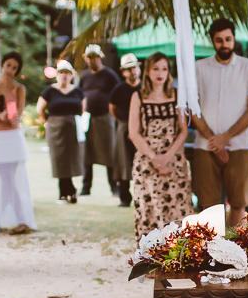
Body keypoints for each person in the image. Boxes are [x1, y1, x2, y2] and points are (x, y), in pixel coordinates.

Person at [192, 18, 248, 227]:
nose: (224, 44)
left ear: (234, 39)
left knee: (239, 202)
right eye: (219, 40)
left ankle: (236, 253)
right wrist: (213, 141)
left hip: (240, 145)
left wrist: (225, 138)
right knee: (208, 206)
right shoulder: (199, 67)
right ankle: (212, 254)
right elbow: (193, 108)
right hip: (204, 146)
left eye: (228, 39)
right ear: (212, 41)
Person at [128, 52, 192, 240]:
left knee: (177, 211)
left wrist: (167, 157)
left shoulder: (177, 96)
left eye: (164, 69)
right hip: (147, 161)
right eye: (156, 68)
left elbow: (183, 130)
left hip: (174, 160)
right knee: (150, 211)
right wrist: (155, 159)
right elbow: (134, 132)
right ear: (147, 71)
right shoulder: (138, 96)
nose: (160, 73)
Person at [0, 52, 36, 234]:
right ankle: (2, 218)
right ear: (3, 64)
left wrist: (13, 118)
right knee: (1, 180)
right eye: (9, 65)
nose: (11, 70)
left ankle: (21, 219)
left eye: (15, 68)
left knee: (13, 180)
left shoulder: (19, 89)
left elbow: (18, 112)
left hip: (13, 137)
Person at [36, 59, 85, 203]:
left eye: (67, 73)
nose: (64, 75)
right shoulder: (50, 91)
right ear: (57, 75)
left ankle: (68, 190)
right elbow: (40, 109)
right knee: (59, 159)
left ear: (71, 75)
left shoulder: (77, 91)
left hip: (73, 128)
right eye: (61, 72)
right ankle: (65, 191)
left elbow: (83, 109)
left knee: (71, 158)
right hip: (56, 128)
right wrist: (50, 121)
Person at [79, 44, 120, 197]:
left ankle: (114, 187)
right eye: (89, 57)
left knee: (109, 153)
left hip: (105, 118)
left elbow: (117, 94)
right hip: (89, 119)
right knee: (87, 154)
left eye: (94, 56)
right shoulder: (84, 76)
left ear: (100, 57)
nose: (92, 60)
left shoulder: (110, 75)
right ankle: (86, 187)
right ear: (85, 59)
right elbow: (80, 94)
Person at [110, 53, 142, 207]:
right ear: (124, 72)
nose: (133, 71)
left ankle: (141, 195)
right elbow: (113, 109)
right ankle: (124, 196)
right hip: (124, 125)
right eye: (129, 69)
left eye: (135, 68)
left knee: (141, 160)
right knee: (123, 161)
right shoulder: (119, 89)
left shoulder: (145, 87)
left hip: (142, 128)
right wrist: (123, 123)